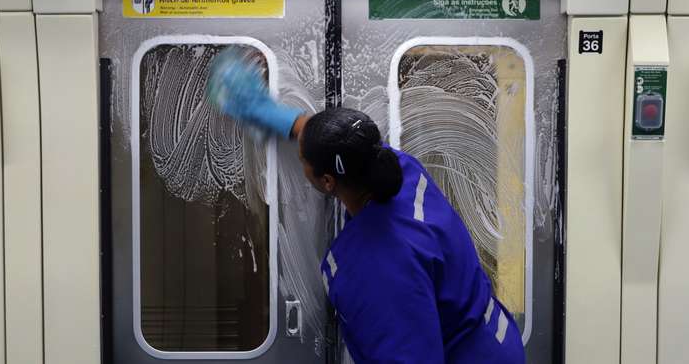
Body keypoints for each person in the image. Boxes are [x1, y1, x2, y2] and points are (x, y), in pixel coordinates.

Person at [207, 50, 525, 364]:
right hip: (493, 340)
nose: (300, 160)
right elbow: (331, 139)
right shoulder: (401, 170)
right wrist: (264, 111)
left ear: (327, 182)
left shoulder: (373, 268)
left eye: (303, 161)